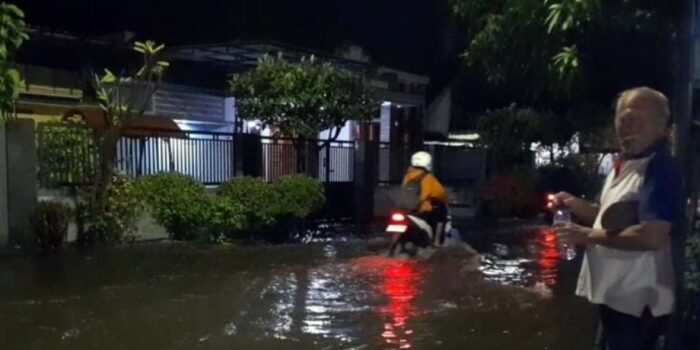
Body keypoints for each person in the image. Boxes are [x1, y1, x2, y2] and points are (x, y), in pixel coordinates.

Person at [551, 87, 685, 350]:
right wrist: (576, 204)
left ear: (661, 126)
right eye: (621, 120)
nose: (626, 126)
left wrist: (585, 235)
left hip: (638, 302)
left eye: (635, 119)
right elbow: (609, 216)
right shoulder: (627, 163)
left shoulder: (660, 168)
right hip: (617, 295)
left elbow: (652, 236)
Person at [401, 151, 449, 245]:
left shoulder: (408, 176)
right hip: (424, 210)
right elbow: (428, 194)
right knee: (442, 216)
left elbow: (403, 190)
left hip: (407, 208)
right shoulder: (428, 177)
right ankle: (436, 241)